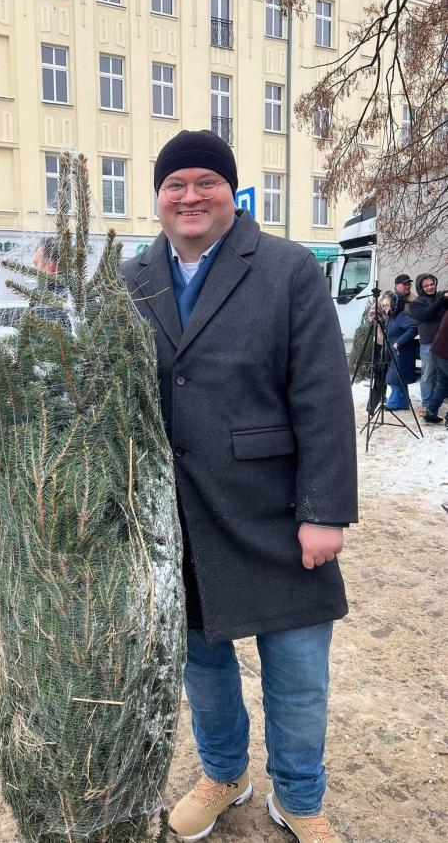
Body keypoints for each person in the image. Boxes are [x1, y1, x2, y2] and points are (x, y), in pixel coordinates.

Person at [121, 130, 357, 843]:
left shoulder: (286, 268)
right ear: (158, 197)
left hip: (276, 509)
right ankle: (225, 774)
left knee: (298, 673)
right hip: (179, 515)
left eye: (207, 182)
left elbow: (321, 394)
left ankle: (299, 797)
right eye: (175, 184)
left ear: (232, 192)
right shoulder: (131, 278)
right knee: (202, 665)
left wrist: (323, 511)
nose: (190, 196)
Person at [409, 274, 448, 416]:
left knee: (443, 377)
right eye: (426, 286)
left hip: (443, 342)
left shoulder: (440, 297)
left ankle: (433, 407)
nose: (430, 287)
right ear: (420, 288)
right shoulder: (415, 303)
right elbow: (426, 314)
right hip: (428, 342)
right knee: (428, 375)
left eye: (432, 284)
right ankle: (426, 405)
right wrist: (441, 301)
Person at [381, 291, 418, 410]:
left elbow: (413, 328)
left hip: (402, 353)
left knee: (395, 378)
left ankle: (394, 403)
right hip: (396, 353)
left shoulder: (402, 316)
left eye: (387, 305)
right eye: (383, 306)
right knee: (398, 377)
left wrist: (399, 342)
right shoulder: (391, 318)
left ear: (393, 305)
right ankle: (403, 402)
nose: (384, 308)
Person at [423, 308, 448, 425]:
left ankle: (431, 412)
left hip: (438, 348)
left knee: (444, 383)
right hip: (444, 352)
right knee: (444, 383)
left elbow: (437, 328)